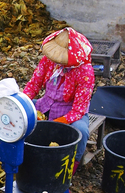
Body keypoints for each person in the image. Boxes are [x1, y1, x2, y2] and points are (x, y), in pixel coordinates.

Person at [23, 27, 95, 171]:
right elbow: (34, 85)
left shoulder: (85, 71)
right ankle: (14, 151)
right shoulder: (48, 61)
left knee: (81, 131)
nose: (57, 63)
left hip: (70, 112)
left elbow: (78, 110)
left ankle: (71, 167)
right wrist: (23, 101)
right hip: (45, 105)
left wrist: (57, 123)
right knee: (19, 113)